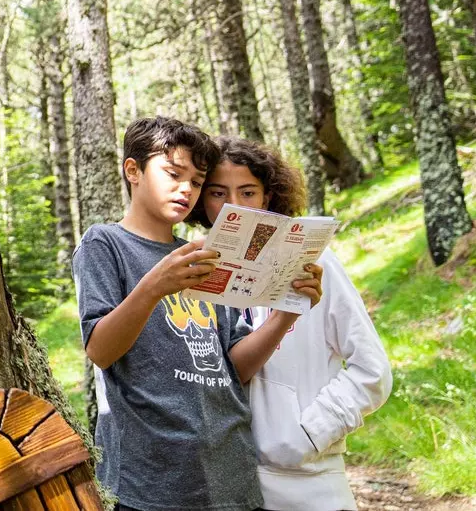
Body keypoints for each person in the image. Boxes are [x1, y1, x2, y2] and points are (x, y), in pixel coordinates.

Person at [73, 116, 322, 511]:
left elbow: (234, 367)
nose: (186, 189)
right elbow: (100, 351)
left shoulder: (209, 251)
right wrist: (155, 285)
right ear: (133, 170)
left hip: (231, 472)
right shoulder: (104, 243)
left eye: (197, 181)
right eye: (173, 174)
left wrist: (285, 315)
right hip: (150, 482)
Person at [189, 136, 392, 511]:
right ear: (202, 199)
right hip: (229, 486)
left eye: (248, 192)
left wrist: (309, 434)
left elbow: (372, 371)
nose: (234, 205)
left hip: (310, 484)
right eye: (218, 193)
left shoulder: (315, 264)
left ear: (267, 197)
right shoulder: (192, 271)